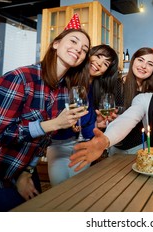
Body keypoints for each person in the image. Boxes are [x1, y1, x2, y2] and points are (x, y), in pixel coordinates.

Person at [0, 26, 90, 211]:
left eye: (85, 49)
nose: (79, 49)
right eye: (73, 41)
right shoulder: (19, 78)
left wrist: (27, 172)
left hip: (16, 170)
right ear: (56, 44)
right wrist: (54, 123)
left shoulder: (65, 92)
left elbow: (43, 140)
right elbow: (4, 135)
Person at [47, 44, 119, 186]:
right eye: (98, 56)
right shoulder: (67, 79)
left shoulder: (97, 90)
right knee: (58, 188)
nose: (99, 64)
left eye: (105, 64)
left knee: (77, 188)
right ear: (89, 54)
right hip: (58, 145)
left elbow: (87, 123)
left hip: (84, 144)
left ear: (105, 72)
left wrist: (97, 123)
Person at [107, 47, 153, 155]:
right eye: (140, 60)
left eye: (150, 64)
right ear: (133, 61)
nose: (143, 66)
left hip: (140, 146)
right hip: (115, 144)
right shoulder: (115, 85)